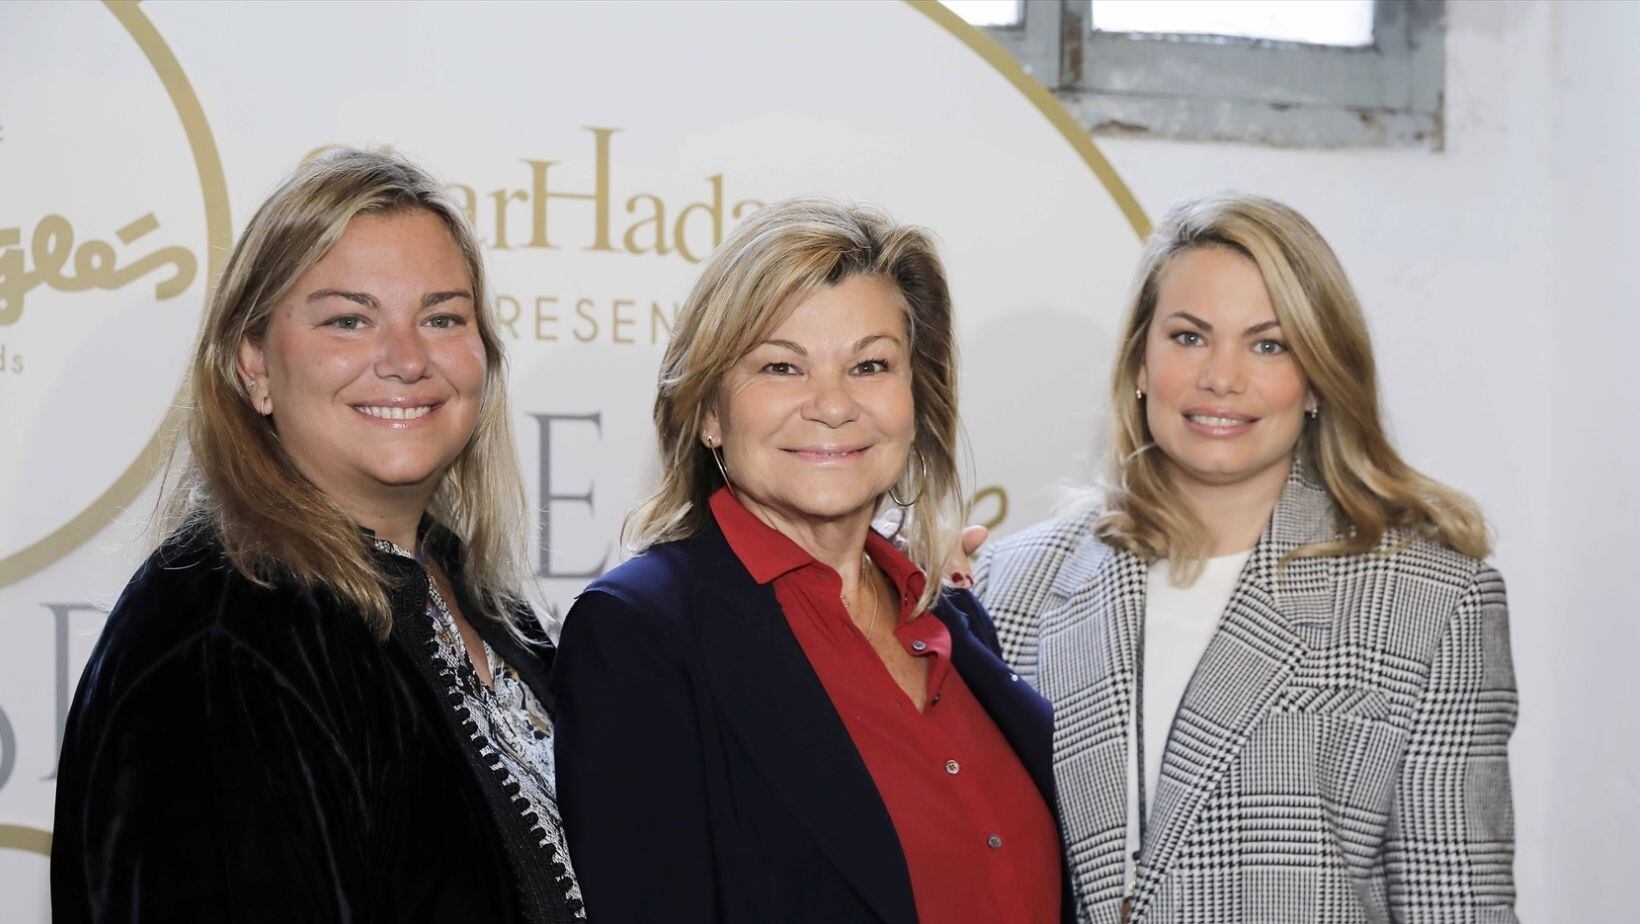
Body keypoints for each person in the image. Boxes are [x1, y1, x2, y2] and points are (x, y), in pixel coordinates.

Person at [52, 150, 583, 922]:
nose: (406, 360)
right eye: (349, 319)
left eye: (442, 317)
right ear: (253, 363)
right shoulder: (223, 636)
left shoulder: (486, 607)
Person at [973, 193, 1518, 923]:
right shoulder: (1011, 583)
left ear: (1319, 376)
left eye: (1268, 344)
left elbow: (1456, 905)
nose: (1221, 378)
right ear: (1141, 360)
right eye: (1190, 337)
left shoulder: (1433, 600)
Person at [551, 198, 1070, 923]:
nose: (832, 404)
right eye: (781, 366)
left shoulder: (952, 617)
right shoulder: (640, 636)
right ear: (708, 412)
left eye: (870, 364)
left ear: (915, 400)